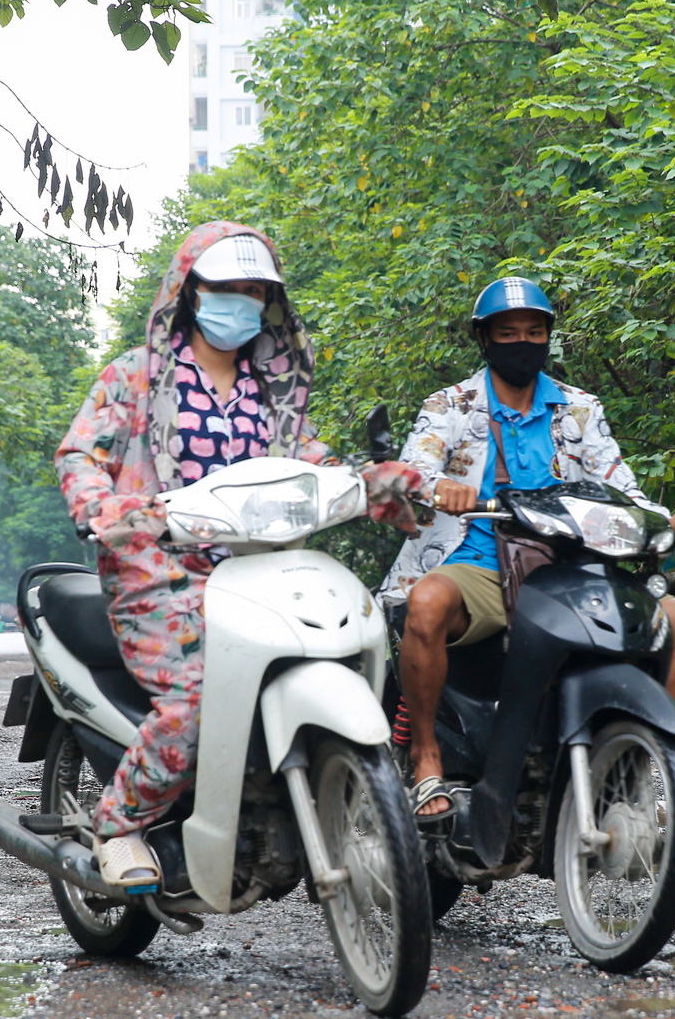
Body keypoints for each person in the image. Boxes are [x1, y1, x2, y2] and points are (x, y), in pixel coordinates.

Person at [56, 221, 421, 889]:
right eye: (228, 288)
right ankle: (120, 824)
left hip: (259, 571)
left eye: (255, 291)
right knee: (194, 699)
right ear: (192, 293)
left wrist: (373, 481)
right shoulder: (136, 378)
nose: (242, 302)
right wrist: (104, 506)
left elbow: (315, 460)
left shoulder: (270, 395)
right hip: (158, 572)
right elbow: (82, 454)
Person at [378, 277, 675, 819]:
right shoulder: (450, 405)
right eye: (508, 333)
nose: (522, 343)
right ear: (484, 339)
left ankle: (616, 763)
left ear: (549, 337)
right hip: (479, 560)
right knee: (425, 604)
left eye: (534, 332)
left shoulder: (580, 409)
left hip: (572, 570)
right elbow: (412, 471)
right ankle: (426, 758)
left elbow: (621, 485)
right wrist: (439, 488)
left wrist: (667, 520)